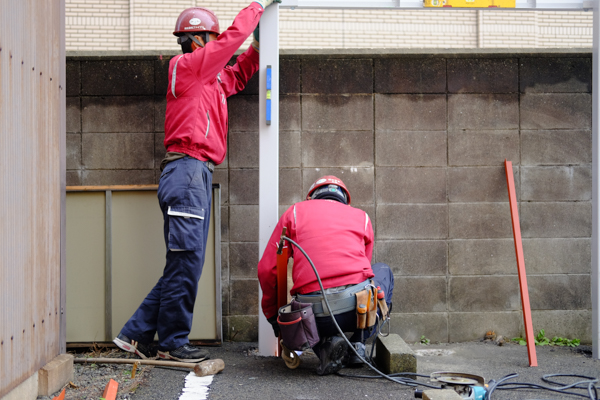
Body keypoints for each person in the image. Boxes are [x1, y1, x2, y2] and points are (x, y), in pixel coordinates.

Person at [113, 0, 281, 363]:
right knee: (186, 262)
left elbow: (237, 74)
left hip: (196, 173)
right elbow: (226, 47)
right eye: (211, 39)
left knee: (183, 263)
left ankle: (135, 335)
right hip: (186, 170)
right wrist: (257, 9)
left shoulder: (212, 79)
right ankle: (173, 343)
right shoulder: (185, 67)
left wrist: (256, 48)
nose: (215, 44)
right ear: (196, 40)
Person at [257, 176, 394, 375]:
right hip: (355, 313)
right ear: (345, 200)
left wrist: (273, 317)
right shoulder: (361, 217)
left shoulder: (295, 212)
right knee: (383, 271)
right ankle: (358, 343)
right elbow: (366, 277)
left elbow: (267, 270)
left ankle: (324, 347)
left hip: (310, 318)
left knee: (310, 309)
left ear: (311, 197)